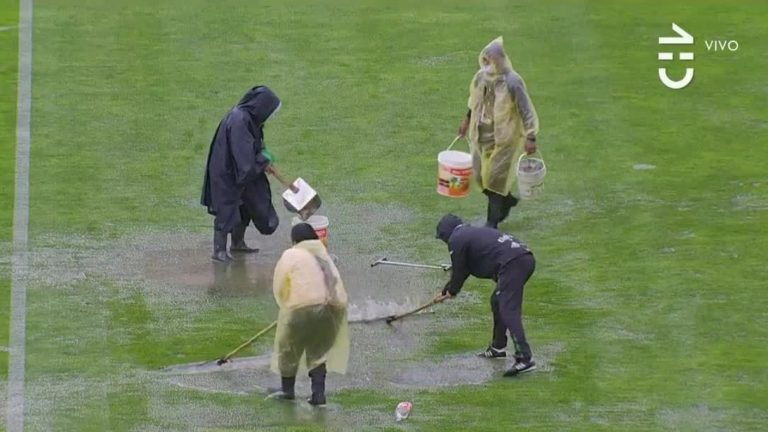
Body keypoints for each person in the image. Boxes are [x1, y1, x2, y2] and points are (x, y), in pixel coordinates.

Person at [435, 213, 537, 376]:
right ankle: (498, 347)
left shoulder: (457, 239)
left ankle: (525, 358)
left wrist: (451, 291)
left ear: (446, 234)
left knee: (508, 309)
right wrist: (447, 290)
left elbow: (460, 271)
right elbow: (465, 268)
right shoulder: (470, 233)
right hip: (523, 258)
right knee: (497, 301)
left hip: (513, 263)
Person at [457, 36, 540, 228]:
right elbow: (474, 101)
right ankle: (507, 200)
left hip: (505, 138)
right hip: (482, 135)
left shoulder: (513, 81)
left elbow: (526, 110)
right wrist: (467, 119)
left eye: (490, 60)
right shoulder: (481, 78)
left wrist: (530, 136)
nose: (487, 64)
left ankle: (491, 223)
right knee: (479, 176)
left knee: (494, 179)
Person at [268, 223, 349, 406]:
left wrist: (285, 306)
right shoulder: (324, 254)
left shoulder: (291, 254)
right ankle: (318, 394)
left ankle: (287, 390)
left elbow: (280, 286)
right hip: (334, 308)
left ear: (295, 240)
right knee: (318, 349)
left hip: (303, 307)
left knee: (289, 347)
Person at [201, 85, 284, 262]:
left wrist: (262, 158)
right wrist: (262, 160)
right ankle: (219, 252)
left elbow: (253, 147)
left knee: (244, 207)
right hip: (227, 172)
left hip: (235, 170)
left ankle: (237, 243)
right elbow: (244, 160)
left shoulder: (249, 119)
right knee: (227, 208)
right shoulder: (240, 121)